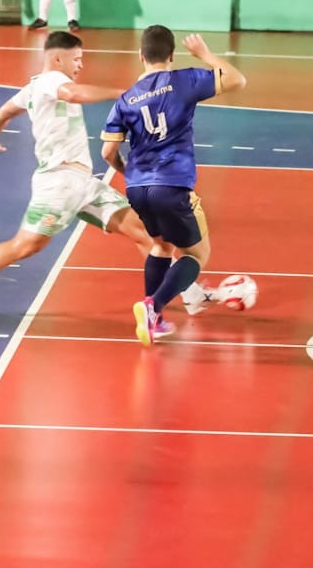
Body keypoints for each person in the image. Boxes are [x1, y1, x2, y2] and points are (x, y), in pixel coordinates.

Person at [0, 31, 156, 317]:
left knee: (144, 231)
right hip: (59, 182)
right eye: (77, 59)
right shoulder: (53, 80)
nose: (80, 65)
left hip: (83, 183)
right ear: (58, 58)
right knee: (25, 246)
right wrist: (123, 94)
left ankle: (175, 297)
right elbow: (73, 94)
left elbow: (6, 110)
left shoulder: (34, 87)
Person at [100, 27, 248, 345]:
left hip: (138, 187)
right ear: (171, 55)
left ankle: (154, 321)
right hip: (172, 183)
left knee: (161, 247)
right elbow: (237, 80)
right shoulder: (183, 80)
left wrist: (128, 173)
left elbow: (107, 152)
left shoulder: (126, 99)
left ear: (141, 56)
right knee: (196, 254)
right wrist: (205, 55)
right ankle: (153, 306)